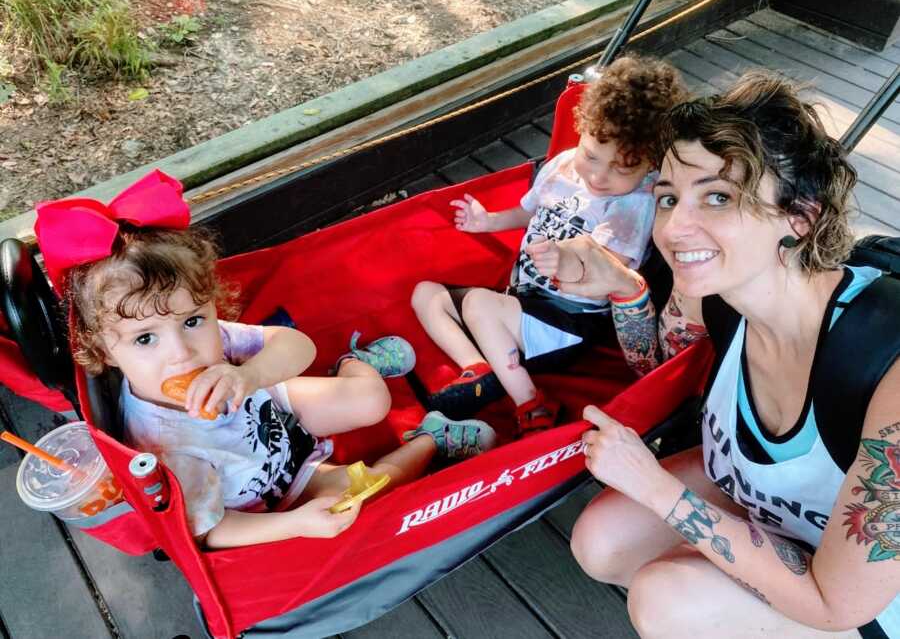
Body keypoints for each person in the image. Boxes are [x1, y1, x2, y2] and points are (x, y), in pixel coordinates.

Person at [540, 72, 900, 637]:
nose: (677, 227)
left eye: (718, 196)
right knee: (601, 542)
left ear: (798, 217)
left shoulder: (889, 365)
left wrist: (659, 490)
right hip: (775, 515)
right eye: (668, 197)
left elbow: (837, 605)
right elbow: (657, 370)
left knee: (668, 598)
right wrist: (624, 288)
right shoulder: (715, 295)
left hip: (866, 601)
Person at [34, 171, 497, 549]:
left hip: (281, 408)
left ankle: (357, 361)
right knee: (357, 502)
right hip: (275, 489)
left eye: (193, 321)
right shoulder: (164, 446)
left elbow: (298, 348)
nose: (180, 352)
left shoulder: (217, 342)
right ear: (103, 349)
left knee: (373, 400)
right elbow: (210, 529)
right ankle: (431, 439)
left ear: (210, 304)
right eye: (145, 339)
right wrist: (291, 525)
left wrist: (249, 374)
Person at [411, 55, 687, 436]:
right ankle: (480, 370)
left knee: (477, 304)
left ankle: (529, 402)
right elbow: (530, 212)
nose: (599, 175)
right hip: (518, 305)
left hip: (567, 322)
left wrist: (567, 258)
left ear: (649, 167)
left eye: (622, 168)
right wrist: (488, 221)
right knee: (426, 294)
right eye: (591, 155)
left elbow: (611, 269)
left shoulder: (634, 202)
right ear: (583, 130)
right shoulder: (562, 166)